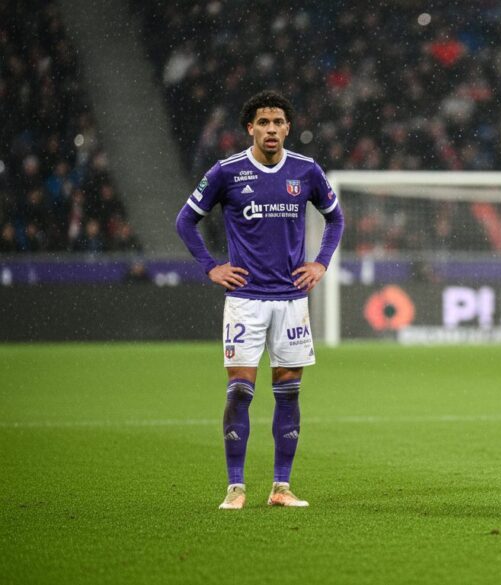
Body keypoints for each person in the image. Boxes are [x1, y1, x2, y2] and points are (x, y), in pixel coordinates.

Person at [175, 90, 344, 509]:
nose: (271, 130)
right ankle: (236, 488)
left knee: (289, 393)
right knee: (240, 391)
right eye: (263, 123)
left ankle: (281, 488)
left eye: (278, 122)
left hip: (291, 300)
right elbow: (186, 221)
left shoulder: (306, 171)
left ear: (288, 127)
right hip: (246, 299)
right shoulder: (227, 172)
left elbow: (336, 218)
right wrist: (211, 267)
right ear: (249, 127)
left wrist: (320, 263)